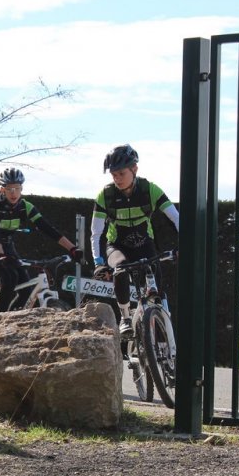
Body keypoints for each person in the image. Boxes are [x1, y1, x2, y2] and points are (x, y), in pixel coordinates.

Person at [90, 144, 179, 336]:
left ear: (134, 169)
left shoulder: (149, 189)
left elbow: (176, 218)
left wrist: (185, 245)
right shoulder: (105, 195)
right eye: (113, 174)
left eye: (121, 173)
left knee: (156, 283)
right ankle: (125, 317)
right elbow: (96, 233)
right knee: (120, 269)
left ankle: (162, 326)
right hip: (117, 245)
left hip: (144, 243)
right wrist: (98, 262)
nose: (117, 179)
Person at [0, 167, 83, 312]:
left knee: (26, 290)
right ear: (2, 189)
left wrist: (72, 248)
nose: (14, 193)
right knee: (9, 277)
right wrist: (1, 255)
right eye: (9, 189)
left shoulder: (25, 207)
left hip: (7, 246)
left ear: (21, 188)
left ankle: (10, 321)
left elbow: (47, 228)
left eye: (17, 188)